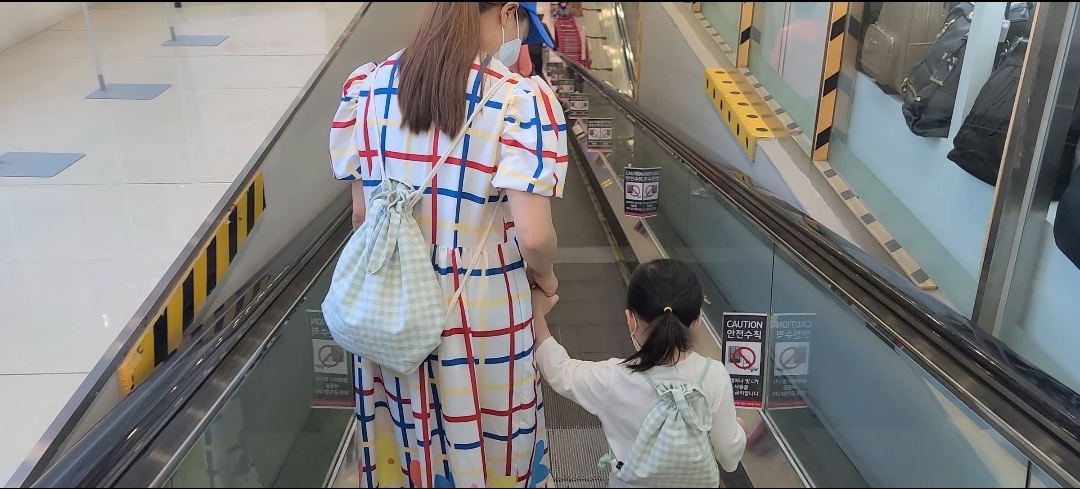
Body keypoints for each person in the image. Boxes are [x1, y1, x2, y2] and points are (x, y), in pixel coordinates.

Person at [328, 2, 566, 487]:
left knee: (406, 437)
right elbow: (534, 234)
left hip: (392, 308)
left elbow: (361, 216)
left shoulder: (368, 88)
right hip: (480, 309)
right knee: (488, 439)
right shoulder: (517, 100)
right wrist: (545, 277)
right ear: (506, 13)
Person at [531, 259, 746, 487]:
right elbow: (729, 458)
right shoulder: (714, 375)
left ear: (630, 319)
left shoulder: (613, 378)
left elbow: (559, 370)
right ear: (697, 321)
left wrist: (537, 313)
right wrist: (739, 430)